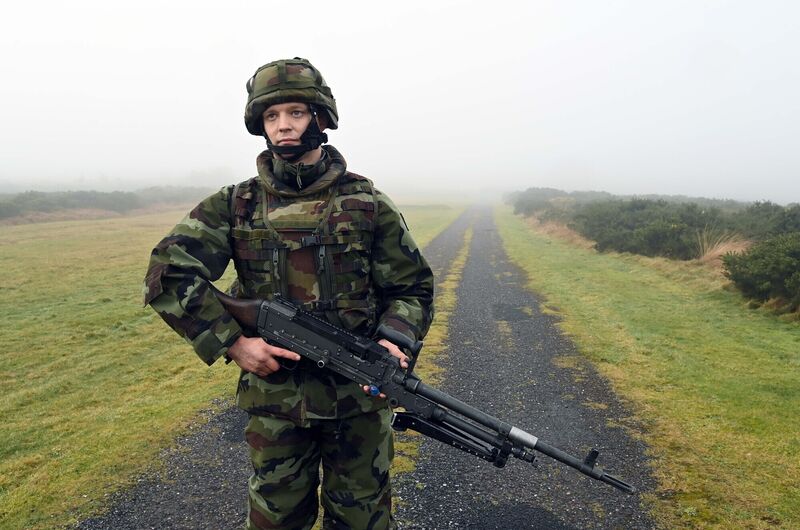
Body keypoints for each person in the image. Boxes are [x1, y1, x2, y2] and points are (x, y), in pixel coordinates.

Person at [143, 57, 434, 530]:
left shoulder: (367, 203)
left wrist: (395, 339)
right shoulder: (235, 204)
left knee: (362, 521)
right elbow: (168, 272)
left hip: (358, 400)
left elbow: (412, 287)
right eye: (272, 117)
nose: (283, 126)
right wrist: (235, 344)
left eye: (295, 113)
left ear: (320, 118)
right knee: (276, 521)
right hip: (275, 403)